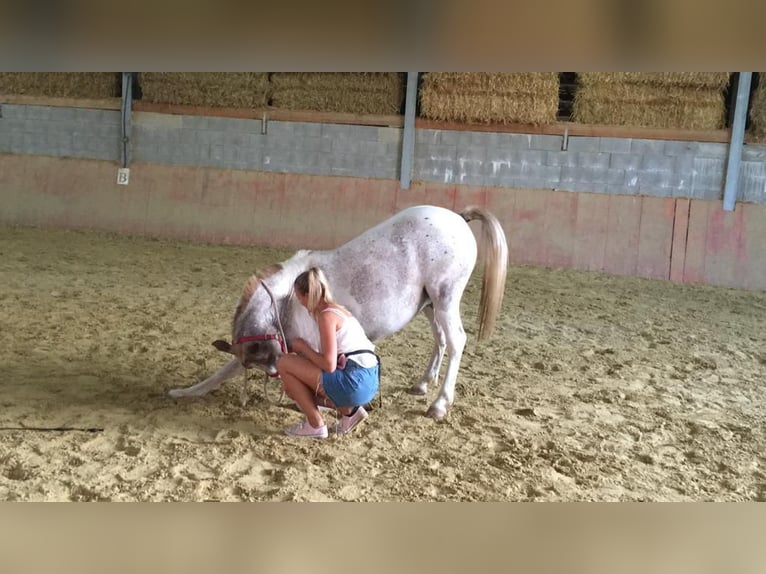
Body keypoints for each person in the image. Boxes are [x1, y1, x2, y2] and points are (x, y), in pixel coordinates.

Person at [277, 267, 380, 439]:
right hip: (369, 379)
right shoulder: (340, 310)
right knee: (294, 387)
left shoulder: (326, 317)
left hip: (354, 381)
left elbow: (329, 365)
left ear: (308, 295)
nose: (300, 302)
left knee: (284, 363)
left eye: (299, 296)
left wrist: (302, 348)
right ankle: (350, 412)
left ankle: (315, 424)